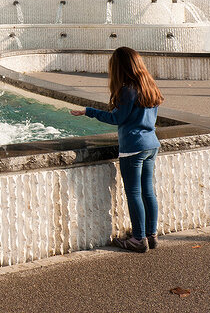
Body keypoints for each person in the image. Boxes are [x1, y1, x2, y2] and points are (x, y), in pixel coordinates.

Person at [69, 46, 164, 253]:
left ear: (120, 68)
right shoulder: (149, 86)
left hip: (133, 147)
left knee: (134, 193)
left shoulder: (128, 90)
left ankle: (138, 239)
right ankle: (151, 234)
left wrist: (89, 111)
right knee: (148, 191)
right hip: (151, 144)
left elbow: (116, 118)